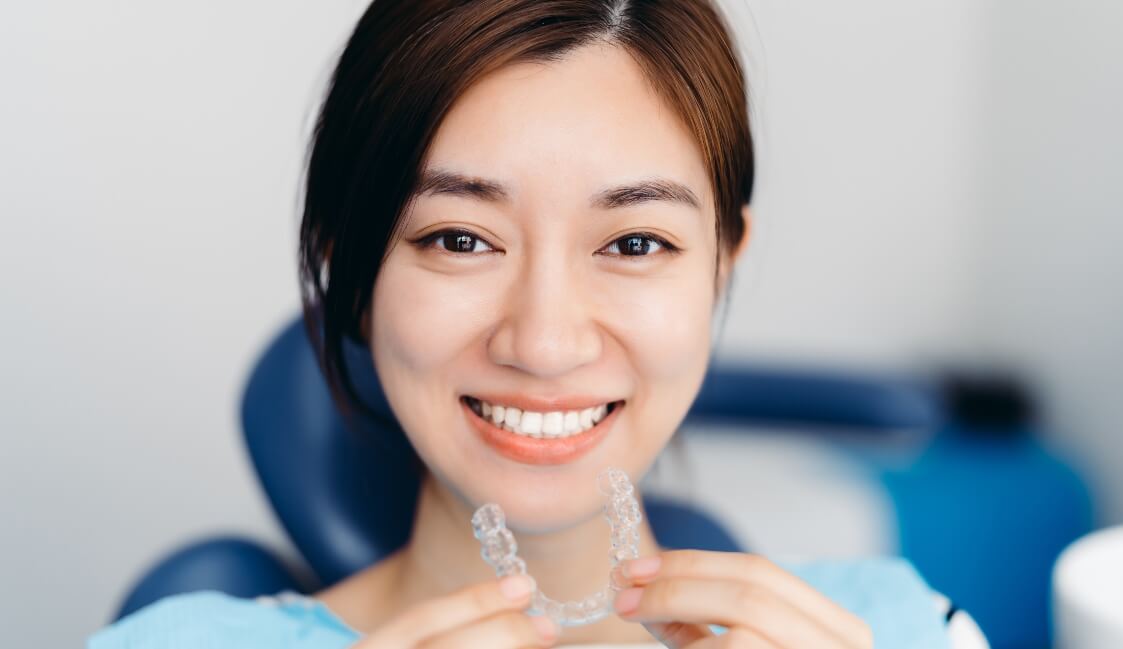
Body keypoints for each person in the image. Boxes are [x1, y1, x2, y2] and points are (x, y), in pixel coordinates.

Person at [90, 1, 988, 647]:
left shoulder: (902, 624)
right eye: (459, 238)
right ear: (351, 269)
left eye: (635, 241)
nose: (546, 342)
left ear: (724, 261)